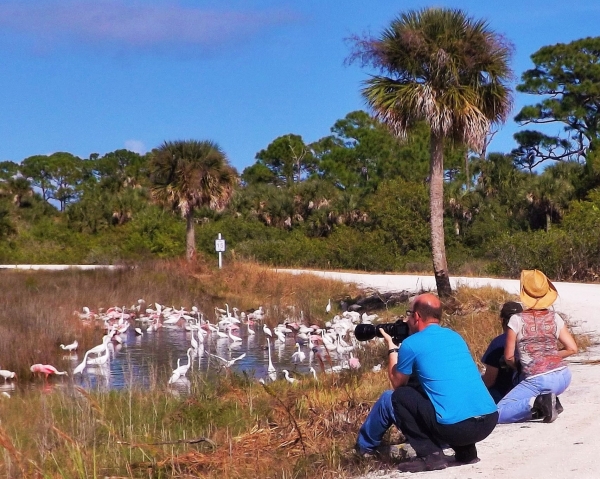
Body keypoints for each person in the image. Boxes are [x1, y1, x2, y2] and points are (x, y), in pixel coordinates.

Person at [355, 293, 498, 471]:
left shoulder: (412, 344)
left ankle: (430, 456)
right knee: (445, 393)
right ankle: (466, 452)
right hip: (488, 420)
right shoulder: (455, 337)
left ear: (416, 316)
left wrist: (392, 347)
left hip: (458, 428)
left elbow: (397, 383)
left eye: (409, 314)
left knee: (399, 396)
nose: (406, 320)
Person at [497, 269, 577, 423]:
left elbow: (508, 357)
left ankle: (540, 403)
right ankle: (548, 402)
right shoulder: (555, 317)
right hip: (564, 377)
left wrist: (523, 365)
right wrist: (548, 356)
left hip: (540, 380)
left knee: (498, 412)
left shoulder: (516, 320)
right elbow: (572, 348)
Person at [481, 301, 523, 403]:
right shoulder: (530, 340)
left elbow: (490, 380)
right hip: (526, 390)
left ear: (502, 320)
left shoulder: (498, 343)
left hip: (502, 394)